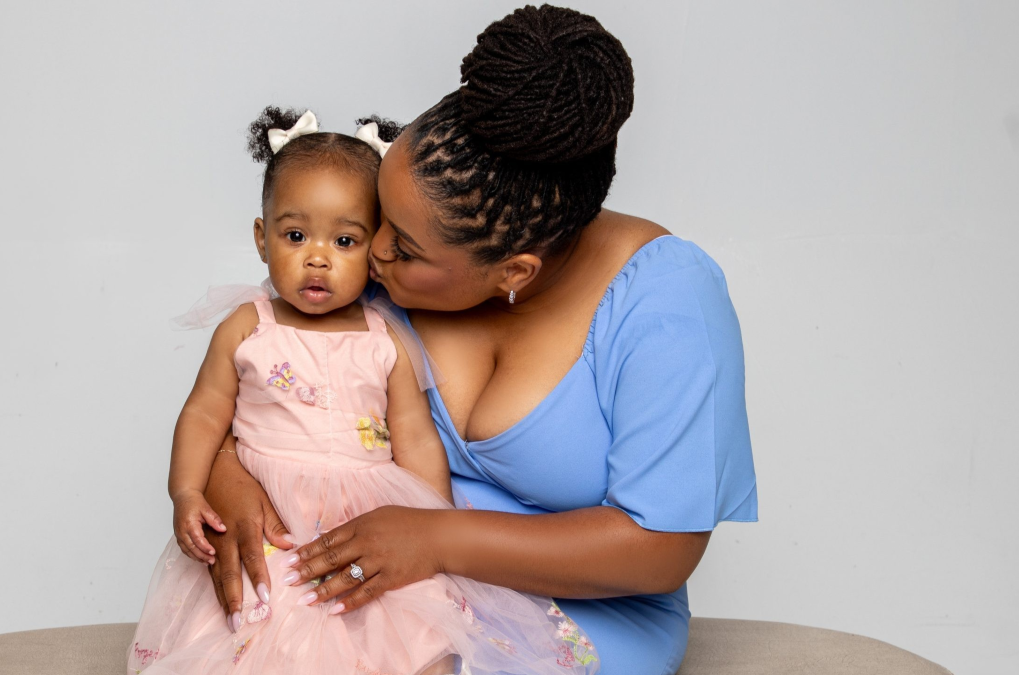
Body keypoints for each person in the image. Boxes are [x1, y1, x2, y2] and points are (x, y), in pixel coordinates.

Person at [198, 6, 758, 675]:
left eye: (401, 248)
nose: (370, 253)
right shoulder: (411, 234)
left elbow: (660, 546)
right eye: (375, 219)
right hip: (365, 574)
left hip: (575, 607)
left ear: (512, 272)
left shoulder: (669, 305)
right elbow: (266, 370)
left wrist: (433, 537)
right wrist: (226, 471)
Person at [126, 107, 601, 675]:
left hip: (367, 510)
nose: (318, 256)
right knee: (263, 620)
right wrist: (185, 491)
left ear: (376, 246)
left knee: (414, 633)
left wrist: (435, 525)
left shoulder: (386, 336)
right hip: (279, 512)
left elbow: (416, 439)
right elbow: (204, 413)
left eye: (346, 240)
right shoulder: (247, 326)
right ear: (261, 237)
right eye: (295, 235)